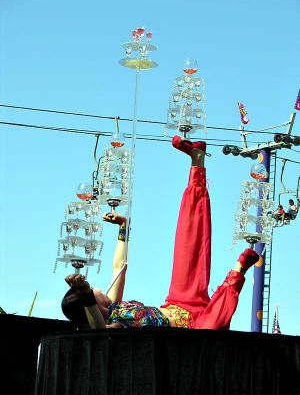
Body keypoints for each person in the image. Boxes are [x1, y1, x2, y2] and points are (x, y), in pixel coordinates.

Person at [62, 136, 259, 330]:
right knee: (212, 327)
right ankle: (237, 271)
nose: (96, 288)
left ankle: (197, 160)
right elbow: (99, 329)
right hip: (194, 331)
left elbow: (119, 266)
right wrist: (86, 293)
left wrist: (123, 227)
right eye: (92, 291)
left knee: (188, 240)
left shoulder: (115, 304)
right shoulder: (113, 325)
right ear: (89, 302)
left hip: (180, 302)